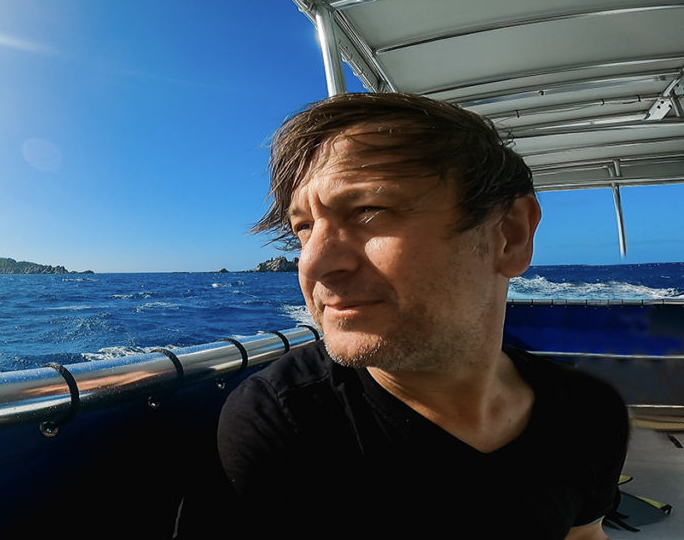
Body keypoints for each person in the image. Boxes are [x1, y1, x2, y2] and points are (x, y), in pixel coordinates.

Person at [216, 93, 630, 539]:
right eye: (304, 228)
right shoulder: (284, 426)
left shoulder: (588, 414)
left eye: (369, 211)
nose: (313, 263)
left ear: (510, 234)